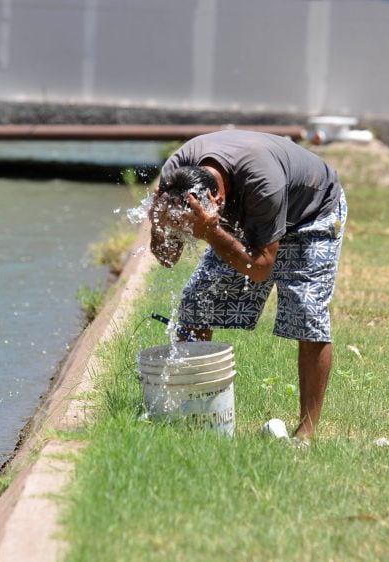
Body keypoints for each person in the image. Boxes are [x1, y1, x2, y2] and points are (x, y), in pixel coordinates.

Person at [148, 130, 347, 440]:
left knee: (307, 311)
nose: (187, 232)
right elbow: (166, 258)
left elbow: (261, 268)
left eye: (192, 227)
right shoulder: (175, 177)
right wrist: (159, 224)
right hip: (248, 209)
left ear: (217, 201)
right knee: (197, 300)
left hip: (311, 212)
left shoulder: (263, 183)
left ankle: (306, 433)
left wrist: (212, 234)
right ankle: (192, 411)